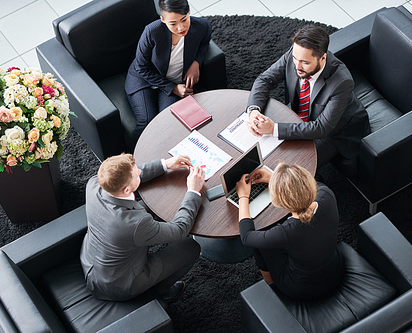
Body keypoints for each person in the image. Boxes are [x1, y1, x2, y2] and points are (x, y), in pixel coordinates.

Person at [80, 153, 205, 302]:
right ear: (126, 190)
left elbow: (127, 175)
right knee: (191, 247)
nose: (139, 171)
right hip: (119, 284)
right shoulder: (134, 224)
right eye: (137, 175)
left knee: (150, 205)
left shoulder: (94, 184)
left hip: (91, 262)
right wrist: (193, 190)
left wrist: (166, 164)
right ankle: (161, 292)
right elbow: (179, 230)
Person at [246, 25, 370, 168]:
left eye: (305, 62)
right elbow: (264, 79)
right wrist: (254, 110)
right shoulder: (296, 55)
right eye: (295, 59)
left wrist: (273, 129)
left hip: (335, 133)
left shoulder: (342, 82)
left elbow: (321, 128)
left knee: (292, 169)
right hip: (302, 116)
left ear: (323, 58)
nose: (297, 66)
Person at [235, 163, 344, 300]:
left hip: (301, 288)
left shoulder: (285, 233)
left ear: (280, 202)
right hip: (335, 271)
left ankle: (272, 285)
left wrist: (243, 197)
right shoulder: (326, 194)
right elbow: (312, 185)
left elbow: (246, 236)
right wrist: (276, 178)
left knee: (260, 244)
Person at [125, 0, 212, 147]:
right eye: (173, 23)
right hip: (144, 79)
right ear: (163, 20)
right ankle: (131, 161)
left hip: (173, 82)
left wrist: (196, 63)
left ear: (189, 12)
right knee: (147, 122)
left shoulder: (202, 26)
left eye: (184, 19)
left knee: (169, 121)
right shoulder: (152, 31)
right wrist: (172, 87)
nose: (181, 27)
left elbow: (205, 42)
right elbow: (141, 67)